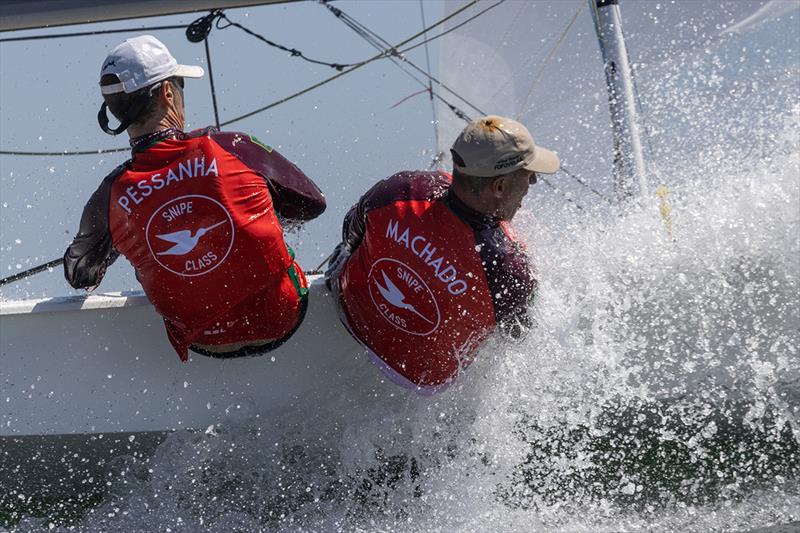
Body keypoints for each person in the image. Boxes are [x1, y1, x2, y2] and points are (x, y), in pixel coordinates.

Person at [64, 35, 326, 361]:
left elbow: (80, 274)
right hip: (285, 317)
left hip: (206, 344)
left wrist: (124, 235)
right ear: (167, 92)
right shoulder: (233, 146)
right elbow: (312, 204)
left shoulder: (111, 195)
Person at [326, 115, 559, 394]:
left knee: (348, 251)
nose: (532, 181)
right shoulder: (507, 265)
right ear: (499, 187)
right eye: (527, 175)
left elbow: (350, 231)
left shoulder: (400, 190)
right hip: (420, 383)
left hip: (348, 315)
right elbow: (518, 336)